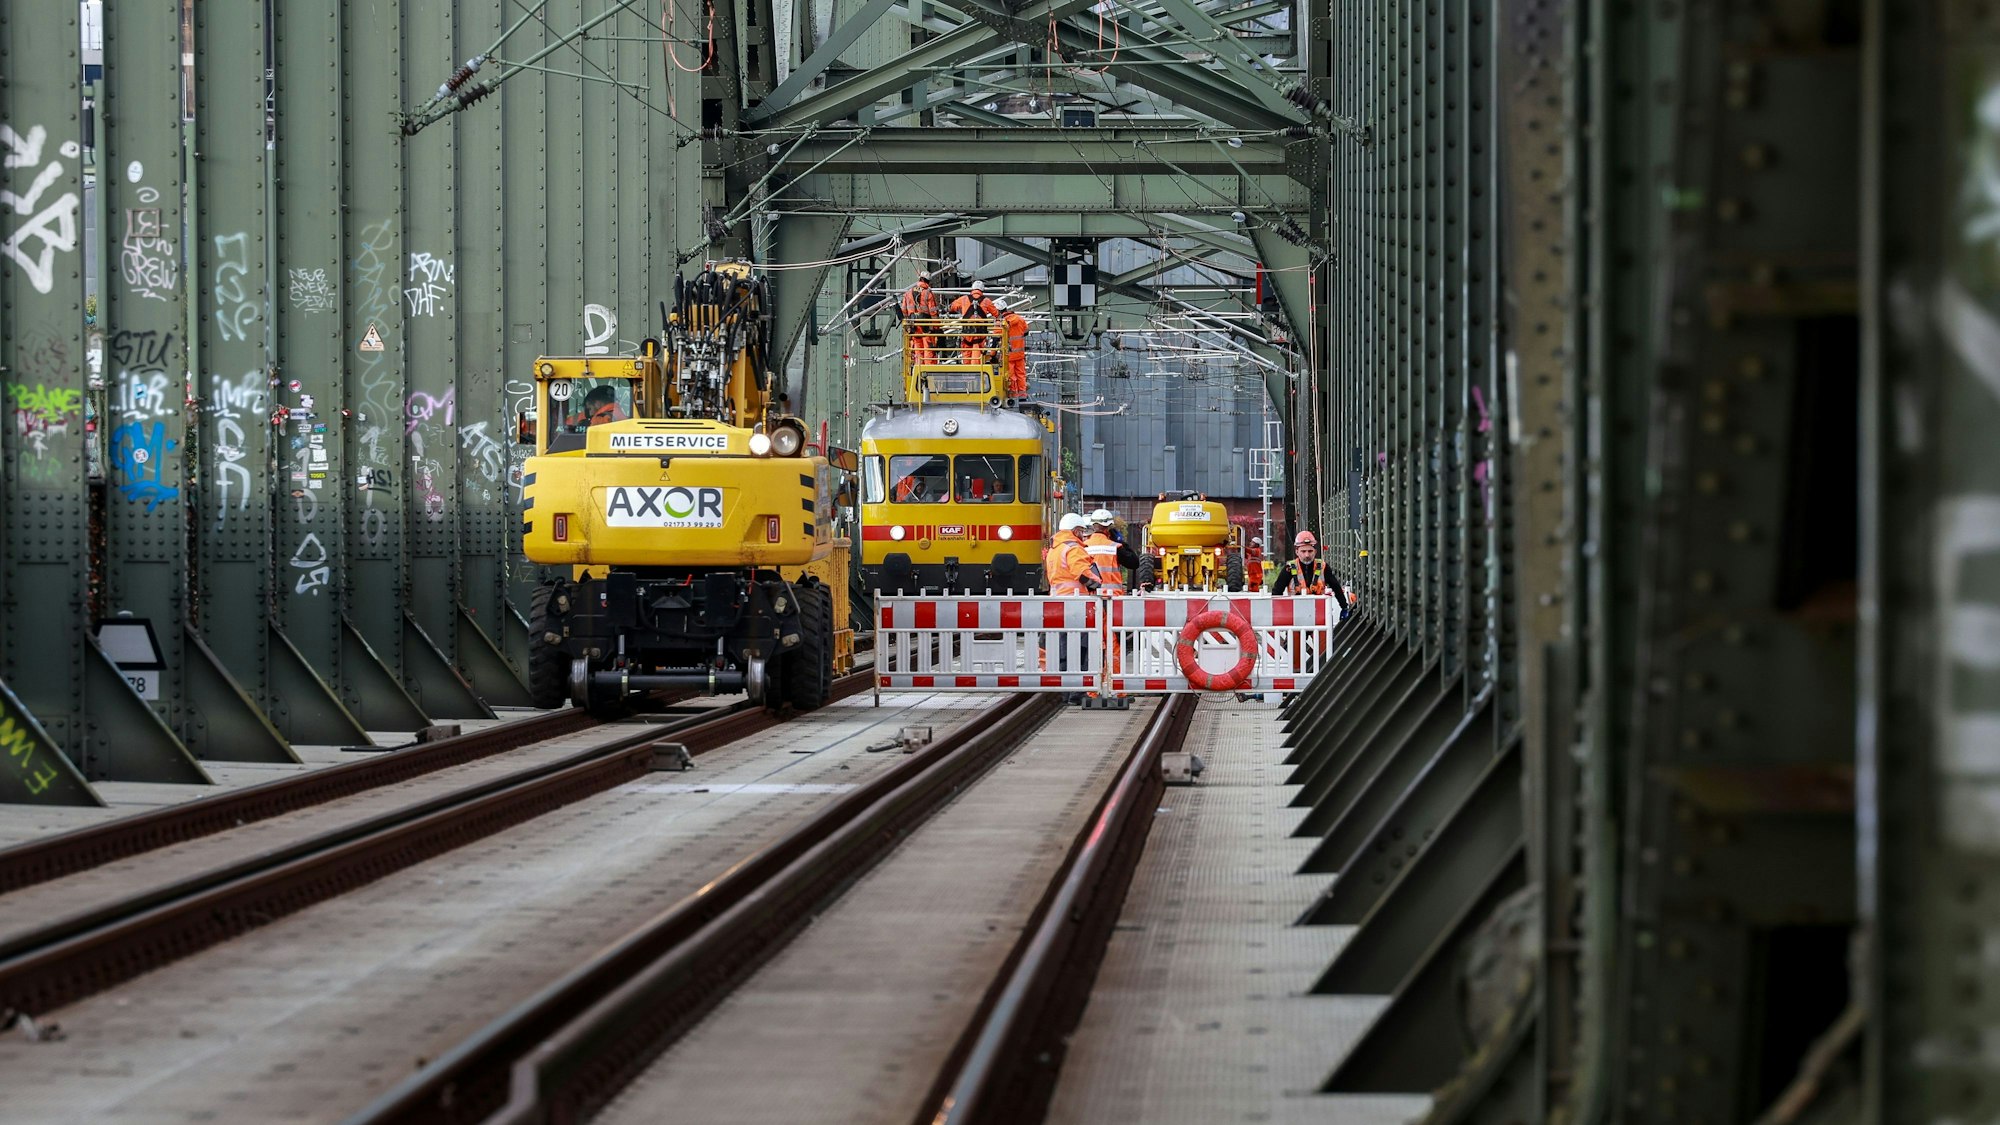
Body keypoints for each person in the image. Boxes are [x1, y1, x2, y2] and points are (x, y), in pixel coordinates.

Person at [948, 282, 999, 364]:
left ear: (972, 289)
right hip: (980, 334)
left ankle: (968, 373)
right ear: (982, 290)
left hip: (967, 333)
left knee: (967, 354)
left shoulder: (964, 299)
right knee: (978, 355)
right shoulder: (986, 301)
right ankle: (976, 373)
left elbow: (952, 307)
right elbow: (996, 314)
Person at [1270, 530, 1331, 595]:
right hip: (1295, 605)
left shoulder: (1323, 567)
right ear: (1297, 552)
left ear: (1315, 551)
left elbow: (1336, 589)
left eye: (1310, 551)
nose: (1307, 555)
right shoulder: (1289, 568)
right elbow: (1276, 593)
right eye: (1303, 551)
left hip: (1319, 605)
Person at [900, 272, 941, 364]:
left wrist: (907, 325)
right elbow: (933, 312)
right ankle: (928, 370)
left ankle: (919, 369)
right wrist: (937, 328)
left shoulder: (908, 292)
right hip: (926, 325)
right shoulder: (928, 293)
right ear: (928, 281)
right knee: (928, 348)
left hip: (913, 325)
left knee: (918, 348)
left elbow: (903, 310)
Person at [994, 297, 1030, 400]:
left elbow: (996, 338)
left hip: (1008, 355)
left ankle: (1013, 396)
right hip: (1020, 353)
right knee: (1021, 375)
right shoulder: (1020, 319)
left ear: (999, 311)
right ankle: (1022, 395)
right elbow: (1026, 331)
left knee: (1010, 376)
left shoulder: (1001, 322)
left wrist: (993, 354)